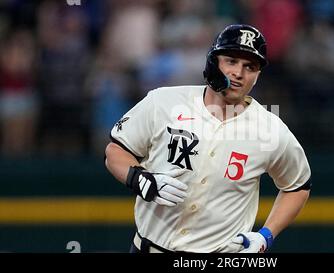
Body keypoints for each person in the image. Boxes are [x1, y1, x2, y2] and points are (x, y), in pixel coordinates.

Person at [104, 24, 311, 253]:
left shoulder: (271, 129)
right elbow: (116, 151)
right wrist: (141, 179)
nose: (239, 73)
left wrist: (266, 235)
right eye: (231, 61)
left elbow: (298, 186)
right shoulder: (163, 101)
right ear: (213, 62)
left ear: (257, 75)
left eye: (249, 66)